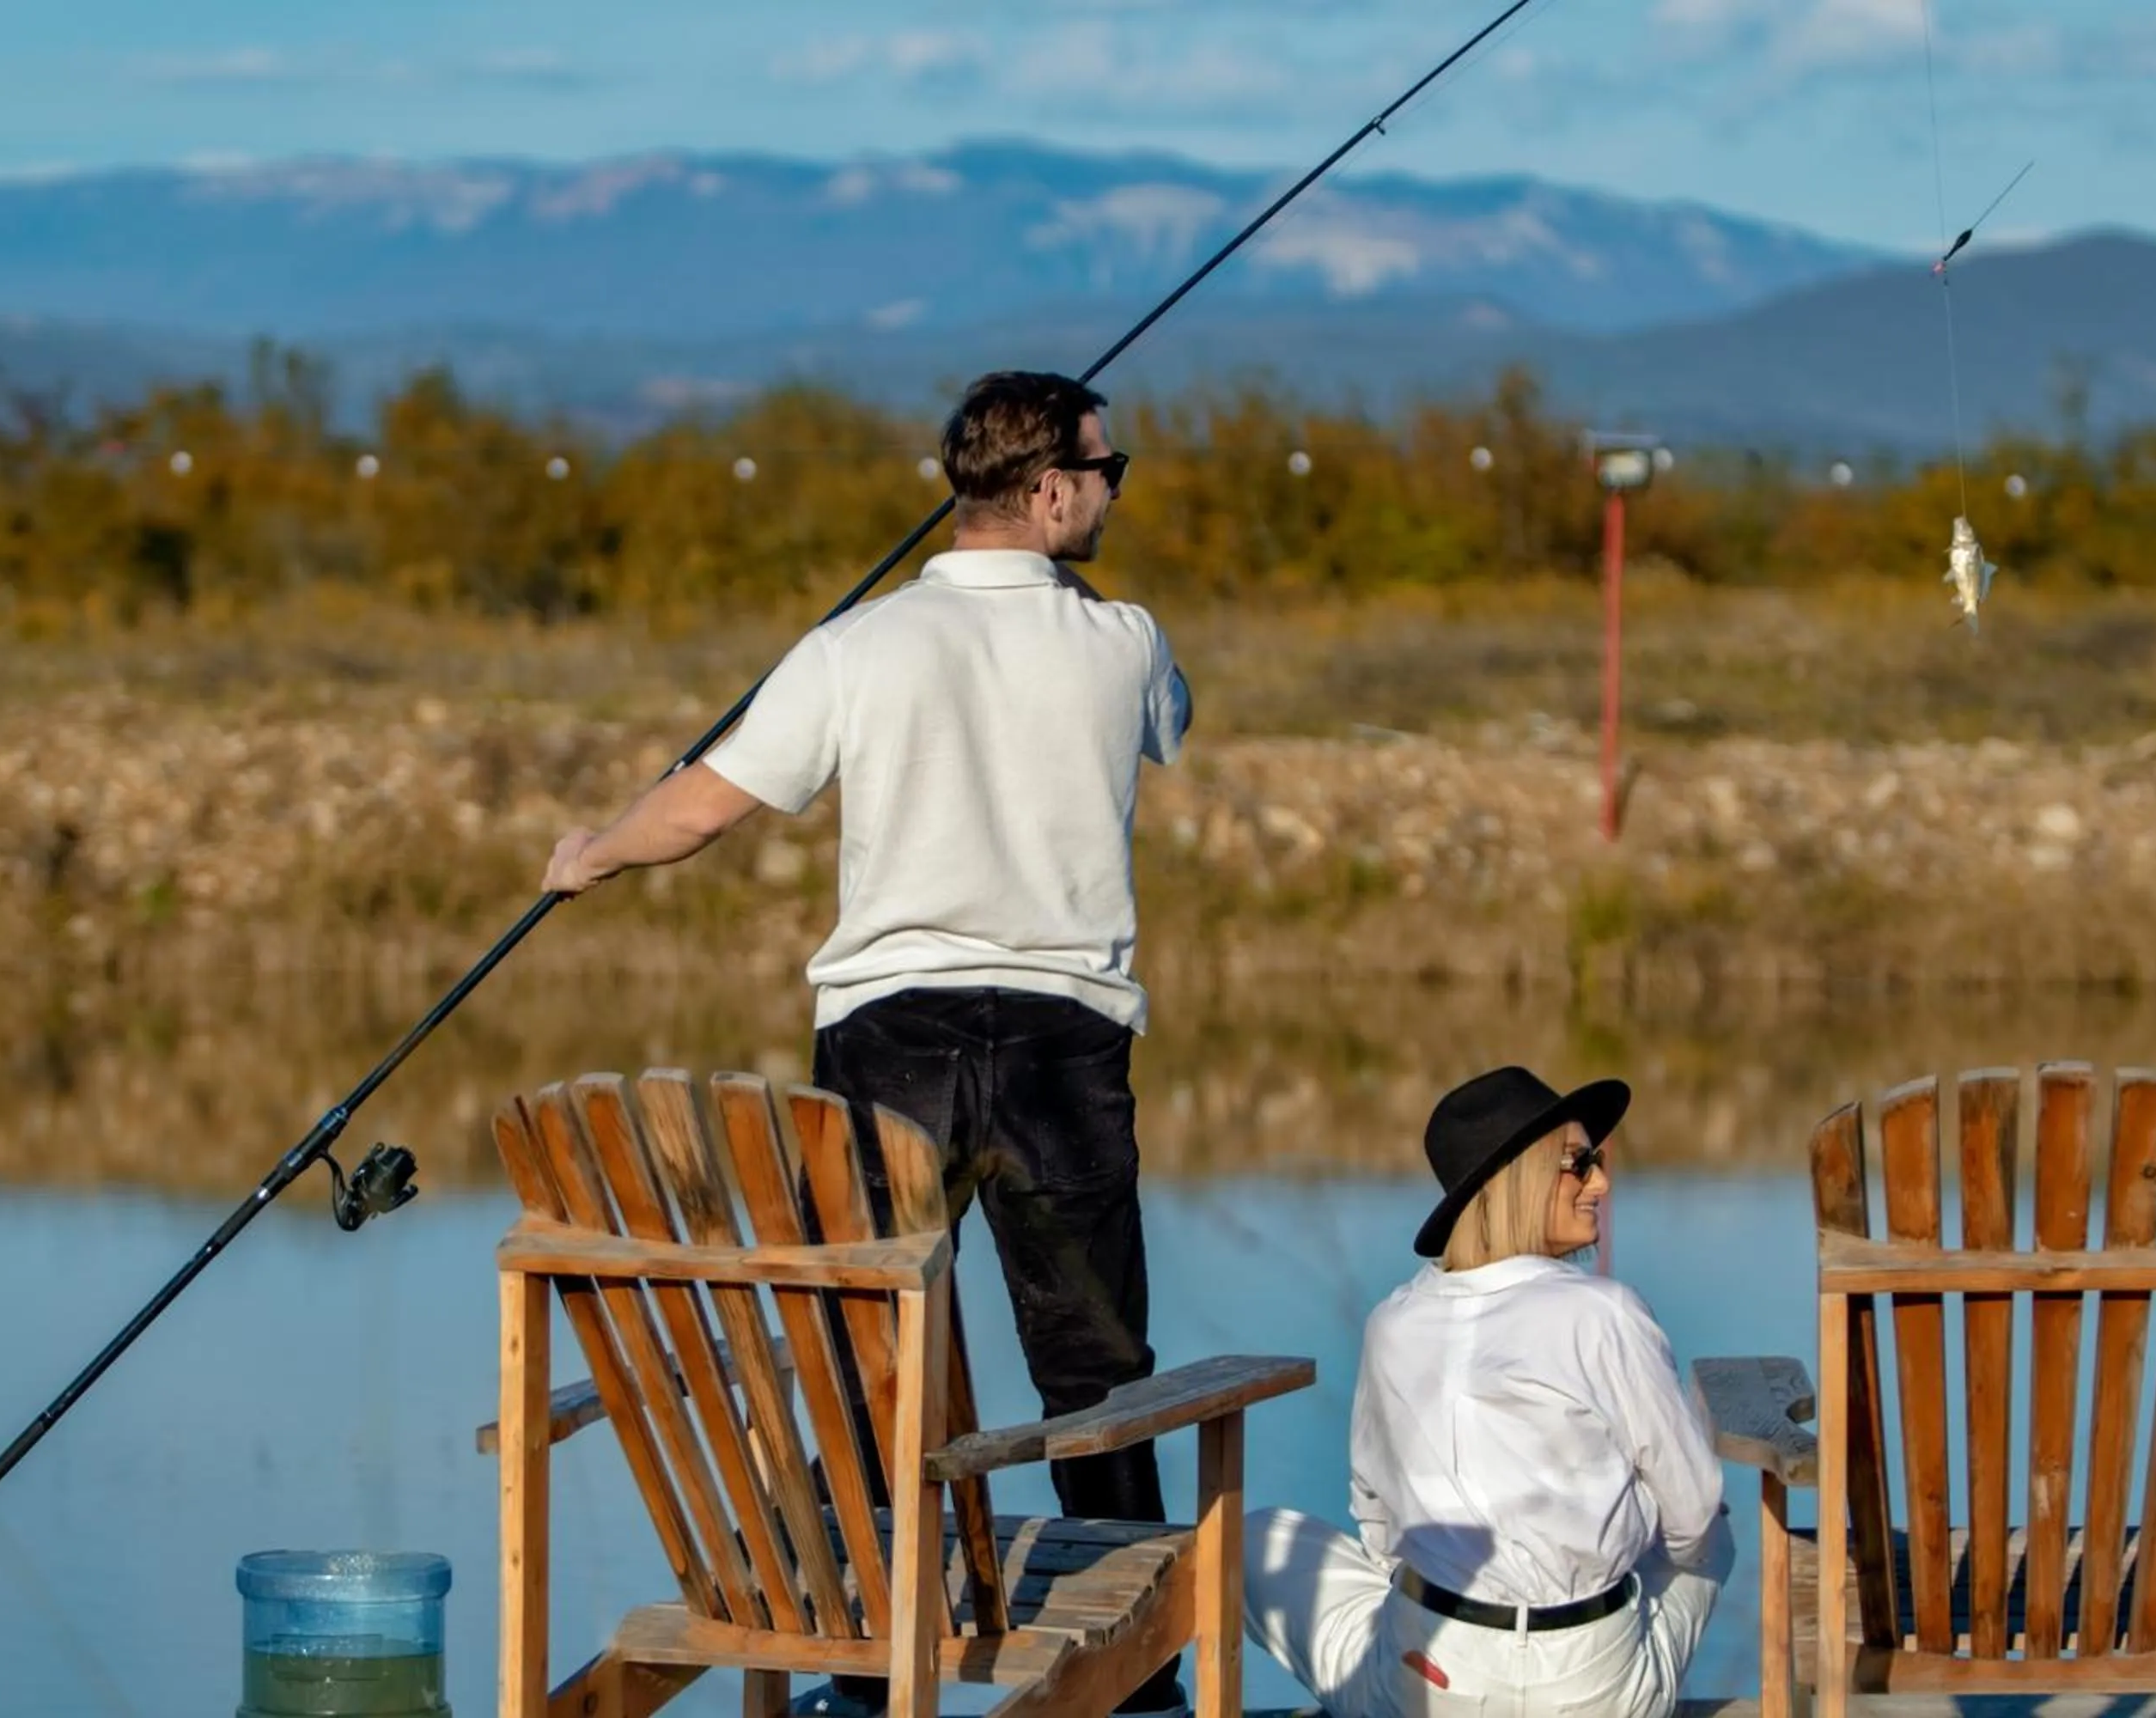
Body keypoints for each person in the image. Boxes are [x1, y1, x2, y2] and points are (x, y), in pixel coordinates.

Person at [542, 370, 1192, 1717]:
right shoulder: (1126, 639)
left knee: (859, 1350)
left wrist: (589, 855)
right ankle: (1138, 1682)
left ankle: (855, 1666)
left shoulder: (857, 646)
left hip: (891, 1040)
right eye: (1108, 471)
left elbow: (702, 808)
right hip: (1065, 1047)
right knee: (1094, 1362)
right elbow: (1168, 723)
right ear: (1051, 492)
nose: (1116, 493)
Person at [1242, 1066, 1732, 1718]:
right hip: (1594, 1690)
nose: (1601, 1183)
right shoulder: (1605, 1314)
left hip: (1428, 1679)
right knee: (1712, 1535)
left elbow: (1380, 1527)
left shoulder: (1393, 1323)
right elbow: (1695, 1516)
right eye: (1580, 1164)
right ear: (1520, 1177)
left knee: (1254, 1540)